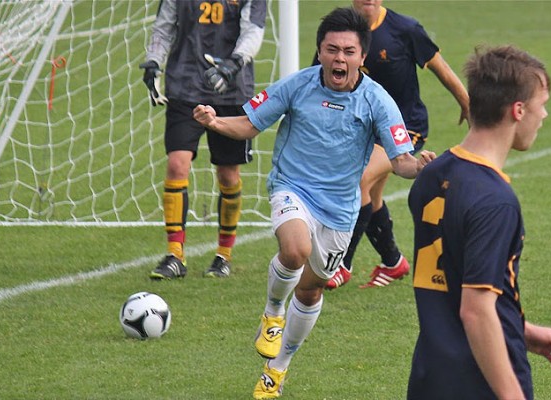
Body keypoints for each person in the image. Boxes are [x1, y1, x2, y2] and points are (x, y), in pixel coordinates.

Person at [194, 7, 435, 398]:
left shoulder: (378, 101)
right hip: (293, 188)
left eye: (348, 51)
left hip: (340, 210)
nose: (339, 58)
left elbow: (401, 161)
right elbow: (250, 123)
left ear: (361, 57)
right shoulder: (296, 86)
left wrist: (420, 167)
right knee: (295, 249)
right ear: (319, 51)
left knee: (310, 291)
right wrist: (215, 122)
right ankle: (273, 312)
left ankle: (278, 368)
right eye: (331, 49)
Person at [407, 45, 551, 399]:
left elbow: (452, 281)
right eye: (541, 105)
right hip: (479, 382)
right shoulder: (494, 200)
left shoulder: (432, 175)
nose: (543, 115)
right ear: (518, 110)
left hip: (430, 377)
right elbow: (476, 311)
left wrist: (522, 330)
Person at [326, 0, 469, 290]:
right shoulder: (339, 36)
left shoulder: (404, 29)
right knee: (372, 196)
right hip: (363, 131)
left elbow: (441, 69)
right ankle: (393, 262)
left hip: (405, 127)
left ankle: (341, 264)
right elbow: (317, 79)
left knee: (361, 180)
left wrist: (468, 104)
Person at [140, 0, 266, 279]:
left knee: (228, 175)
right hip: (185, 87)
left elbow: (253, 31)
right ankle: (175, 255)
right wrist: (153, 62)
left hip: (231, 90)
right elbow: (163, 27)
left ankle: (224, 255)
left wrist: (233, 64)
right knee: (176, 164)